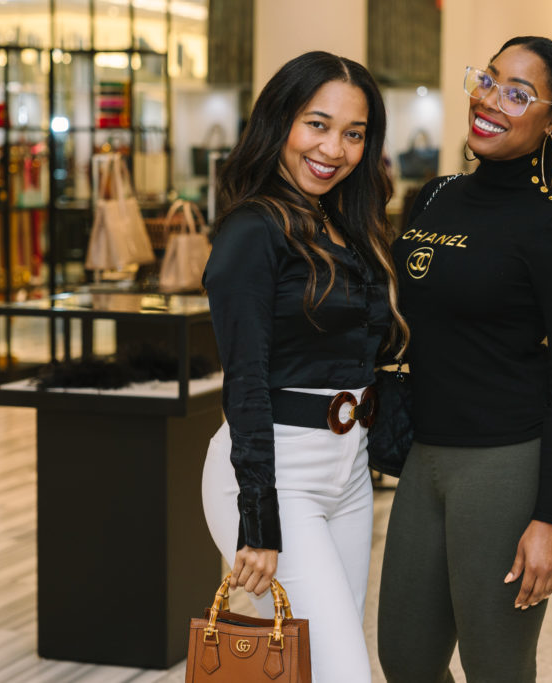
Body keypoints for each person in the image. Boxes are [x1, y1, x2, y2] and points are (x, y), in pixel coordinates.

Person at [378, 36, 552, 683]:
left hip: (508, 462)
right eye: (489, 80)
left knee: (496, 665)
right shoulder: (435, 196)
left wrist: (550, 518)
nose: (491, 100)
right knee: (407, 658)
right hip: (426, 456)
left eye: (518, 93)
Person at [200, 51, 406, 683]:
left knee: (313, 667)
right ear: (280, 121)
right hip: (275, 474)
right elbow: (245, 382)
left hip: (347, 474)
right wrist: (257, 521)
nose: (334, 149)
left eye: (353, 133)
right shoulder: (252, 230)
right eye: (316, 124)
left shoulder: (344, 222)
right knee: (345, 673)